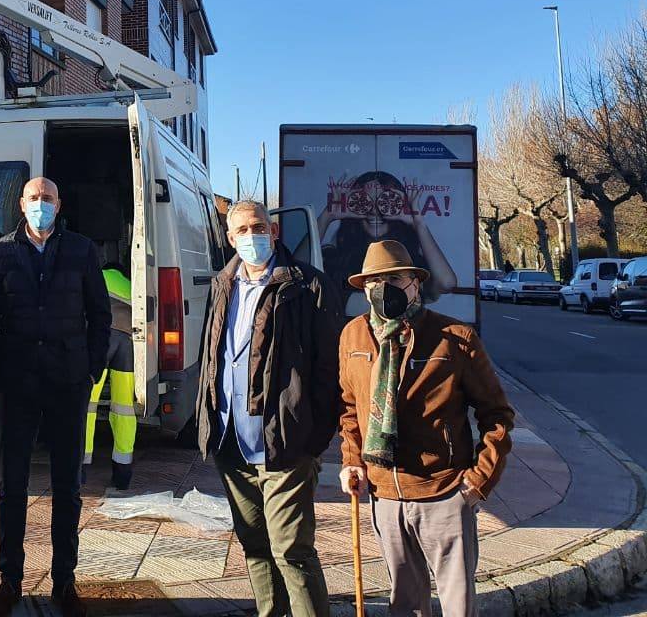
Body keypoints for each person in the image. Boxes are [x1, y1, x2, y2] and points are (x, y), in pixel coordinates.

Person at [339, 240, 514, 617]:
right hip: (384, 493)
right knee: (405, 604)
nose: (383, 288)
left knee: (457, 606)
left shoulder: (454, 337)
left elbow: (497, 415)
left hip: (445, 492)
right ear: (364, 287)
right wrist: (352, 461)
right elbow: (351, 409)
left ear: (416, 283)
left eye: (394, 278)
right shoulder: (353, 335)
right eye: (374, 281)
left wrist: (477, 482)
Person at [194, 199, 341, 617]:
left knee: (291, 551)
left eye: (258, 227)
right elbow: (213, 354)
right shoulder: (223, 285)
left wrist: (312, 438)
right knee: (255, 548)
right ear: (229, 238)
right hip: (230, 443)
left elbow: (328, 369)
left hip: (284, 443)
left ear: (274, 231)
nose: (251, 237)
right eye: (241, 231)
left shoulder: (307, 286)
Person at [0, 177, 112, 617]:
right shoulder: (0, 253)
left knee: (68, 488)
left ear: (59, 203)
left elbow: (100, 315)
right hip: (16, 384)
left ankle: (64, 580)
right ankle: (9, 581)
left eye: (47, 198)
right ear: (21, 204)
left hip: (68, 382)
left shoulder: (81, 250)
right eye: (33, 198)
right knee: (11, 487)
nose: (40, 205)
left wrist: (91, 369)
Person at [319, 170, 457, 310]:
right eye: (365, 202)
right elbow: (299, 268)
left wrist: (418, 224)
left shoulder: (412, 266)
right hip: (351, 331)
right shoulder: (332, 259)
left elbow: (446, 283)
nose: (374, 211)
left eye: (385, 202)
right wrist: (327, 216)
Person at [83, 264, 136, 491]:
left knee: (86, 405)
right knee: (124, 408)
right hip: (128, 344)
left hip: (101, 341)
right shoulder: (131, 285)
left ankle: (80, 469)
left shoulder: (96, 275)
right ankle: (122, 473)